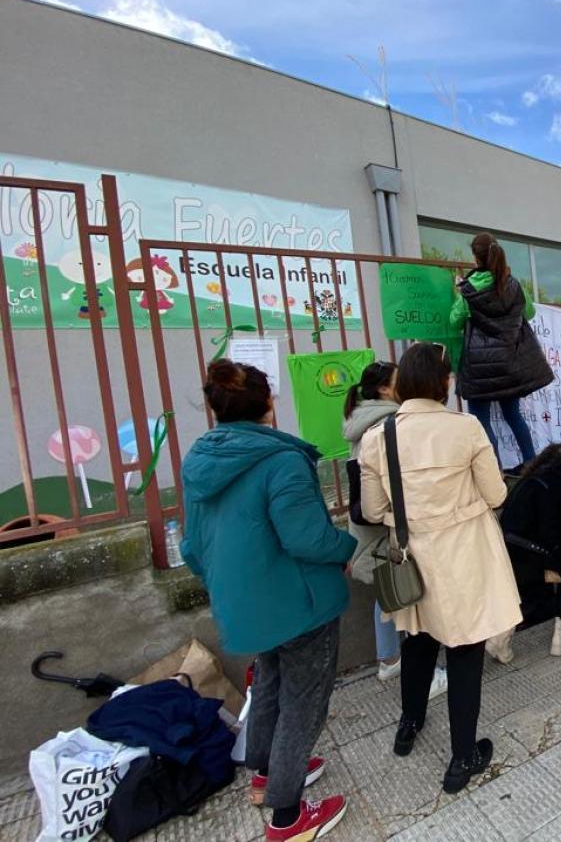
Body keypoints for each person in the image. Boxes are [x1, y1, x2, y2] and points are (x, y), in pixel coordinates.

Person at [181, 360, 354, 841]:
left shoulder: (200, 462)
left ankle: (264, 773)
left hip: (244, 606)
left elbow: (192, 548)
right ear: (268, 405)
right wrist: (346, 548)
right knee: (304, 701)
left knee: (270, 682)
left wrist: (230, 585)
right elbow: (307, 537)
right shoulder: (281, 460)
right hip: (299, 604)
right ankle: (287, 817)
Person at [359, 342, 521, 794]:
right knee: (465, 650)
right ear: (443, 382)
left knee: (418, 641)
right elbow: (497, 494)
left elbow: (371, 510)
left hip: (411, 556)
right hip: (464, 556)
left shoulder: (379, 436)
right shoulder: (466, 427)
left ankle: (408, 726)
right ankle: (462, 758)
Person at [342, 361, 448, 697]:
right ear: (386, 389)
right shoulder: (386, 425)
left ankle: (389, 659)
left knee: (389, 591)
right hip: (387, 527)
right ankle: (416, 671)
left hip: (372, 528)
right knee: (406, 593)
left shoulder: (362, 421)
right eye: (400, 380)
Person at [450, 232, 554, 469]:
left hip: (479, 368)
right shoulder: (514, 285)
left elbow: (454, 322)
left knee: (482, 422)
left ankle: (496, 473)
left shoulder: (468, 290)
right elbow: (529, 312)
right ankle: (531, 464)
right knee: (513, 415)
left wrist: (458, 295)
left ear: (476, 258)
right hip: (510, 363)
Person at [487, 444, 561, 663]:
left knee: (518, 590)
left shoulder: (525, 482)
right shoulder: (557, 488)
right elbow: (554, 536)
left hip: (508, 552)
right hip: (532, 557)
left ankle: (501, 639)